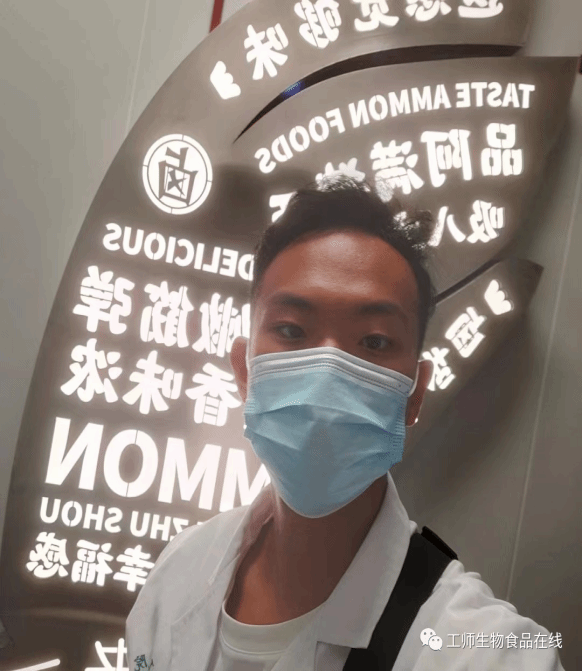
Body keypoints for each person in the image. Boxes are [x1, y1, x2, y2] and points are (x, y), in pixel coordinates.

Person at [126, 176, 564, 670]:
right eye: (292, 330)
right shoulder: (177, 572)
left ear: (414, 393)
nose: (326, 374)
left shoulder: (489, 654)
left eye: (373, 341)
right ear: (245, 373)